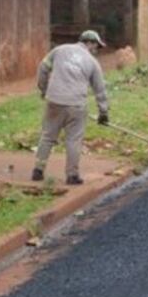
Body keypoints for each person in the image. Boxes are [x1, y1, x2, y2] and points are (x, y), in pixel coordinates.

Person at [32, 30, 110, 185]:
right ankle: (72, 175)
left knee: (47, 136)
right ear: (90, 43)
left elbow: (43, 68)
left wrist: (44, 89)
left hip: (54, 101)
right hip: (76, 105)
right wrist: (103, 112)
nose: (96, 50)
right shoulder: (92, 62)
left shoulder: (59, 50)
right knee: (73, 140)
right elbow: (99, 89)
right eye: (96, 46)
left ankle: (38, 170)